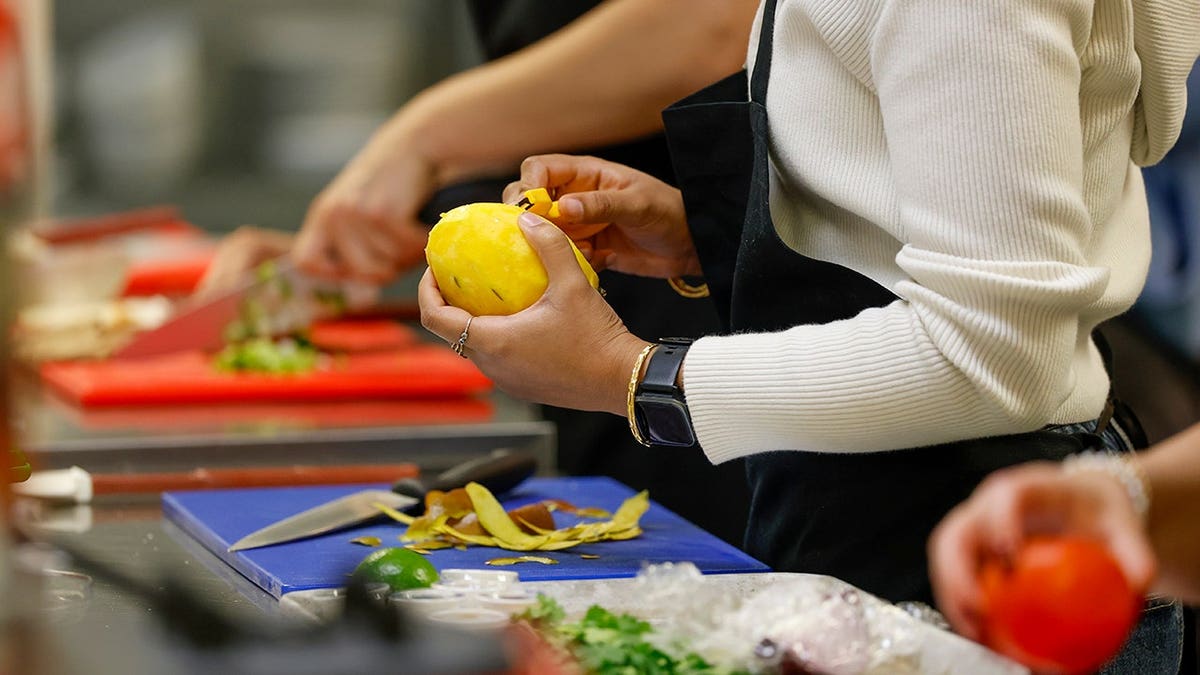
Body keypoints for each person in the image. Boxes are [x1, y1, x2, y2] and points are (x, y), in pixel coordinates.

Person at [417, 0, 1199, 670]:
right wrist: (703, 237)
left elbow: (993, 351)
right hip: (878, 524)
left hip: (971, 553)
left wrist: (631, 374)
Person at [199, 0, 760, 546]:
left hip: (718, 361)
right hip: (636, 299)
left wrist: (424, 137)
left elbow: (717, 22)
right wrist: (390, 232)